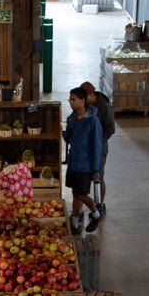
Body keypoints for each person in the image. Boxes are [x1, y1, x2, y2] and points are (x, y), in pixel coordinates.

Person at [63, 87, 103, 234]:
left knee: (82, 194)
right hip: (73, 162)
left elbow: (97, 146)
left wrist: (96, 170)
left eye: (73, 99)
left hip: (85, 164)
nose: (71, 103)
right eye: (70, 100)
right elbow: (68, 139)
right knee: (75, 193)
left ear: (82, 100)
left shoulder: (93, 121)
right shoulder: (71, 119)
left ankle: (96, 214)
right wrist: (64, 130)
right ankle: (74, 223)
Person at [79, 81, 115, 215]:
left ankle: (100, 204)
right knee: (83, 179)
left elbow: (110, 128)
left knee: (98, 177)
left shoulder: (104, 106)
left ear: (91, 94)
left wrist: (98, 141)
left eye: (85, 97)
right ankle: (82, 209)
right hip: (85, 148)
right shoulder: (84, 105)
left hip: (100, 148)